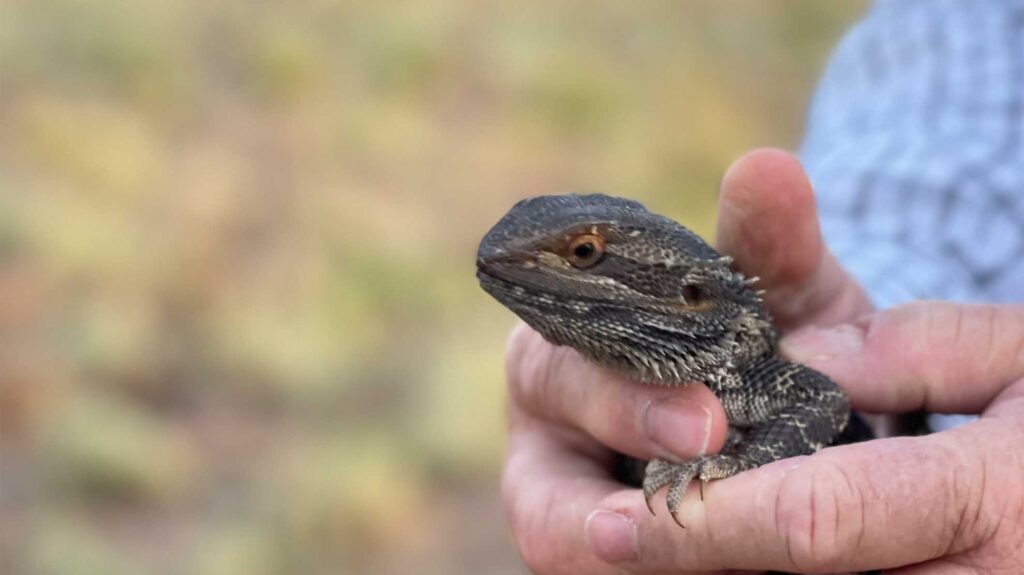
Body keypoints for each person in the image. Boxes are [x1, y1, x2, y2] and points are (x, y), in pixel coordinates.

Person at [499, 2, 1024, 573]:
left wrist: (743, 461)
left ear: (690, 296)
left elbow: (821, 399)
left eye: (583, 254)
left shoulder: (746, 372)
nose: (514, 261)